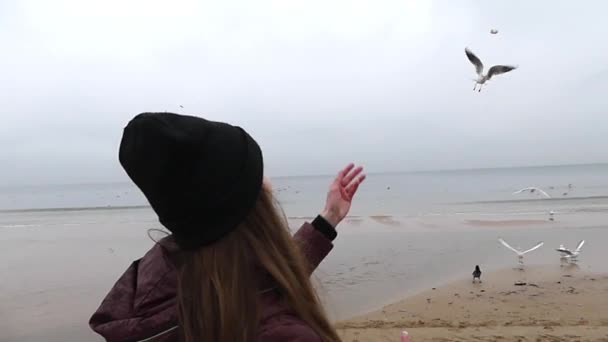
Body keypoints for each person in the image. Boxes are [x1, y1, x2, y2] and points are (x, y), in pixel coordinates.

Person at [89, 112, 366, 342]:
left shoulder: (165, 274)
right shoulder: (283, 336)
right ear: (244, 205)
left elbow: (261, 280)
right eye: (258, 174)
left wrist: (328, 219)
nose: (268, 181)